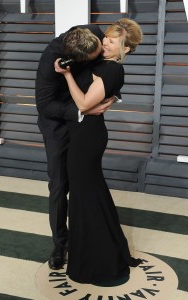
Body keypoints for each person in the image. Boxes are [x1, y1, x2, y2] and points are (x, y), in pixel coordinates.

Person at [54, 18, 143, 285]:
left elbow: (82, 104)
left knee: (84, 197)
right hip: (85, 135)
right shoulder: (101, 65)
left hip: (87, 138)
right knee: (92, 194)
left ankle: (98, 259)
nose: (104, 42)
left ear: (125, 49)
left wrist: (67, 75)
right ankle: (106, 248)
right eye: (106, 37)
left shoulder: (112, 70)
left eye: (112, 41)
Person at [35, 24, 116, 270]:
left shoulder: (95, 34)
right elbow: (45, 107)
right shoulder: (51, 61)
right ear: (77, 60)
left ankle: (89, 237)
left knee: (85, 180)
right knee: (60, 186)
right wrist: (85, 109)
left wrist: (112, 92)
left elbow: (110, 64)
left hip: (86, 121)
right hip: (58, 123)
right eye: (96, 55)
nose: (103, 51)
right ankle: (60, 245)